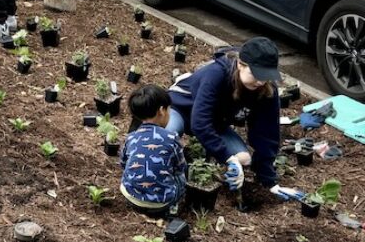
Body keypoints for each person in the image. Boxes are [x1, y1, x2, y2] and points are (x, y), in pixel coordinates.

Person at [166, 37, 282, 191]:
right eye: (257, 74)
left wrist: (270, 182)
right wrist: (227, 157)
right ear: (241, 64)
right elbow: (200, 122)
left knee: (244, 159)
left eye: (266, 76)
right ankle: (165, 177)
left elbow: (267, 134)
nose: (261, 82)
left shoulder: (266, 91)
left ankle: (204, 157)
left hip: (215, 123)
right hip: (181, 109)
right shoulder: (217, 73)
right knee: (167, 137)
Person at [121, 85, 187, 217]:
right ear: (162, 110)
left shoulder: (131, 137)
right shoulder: (171, 138)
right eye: (169, 109)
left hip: (130, 196)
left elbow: (123, 163)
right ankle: (172, 208)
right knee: (181, 177)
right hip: (160, 203)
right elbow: (180, 167)